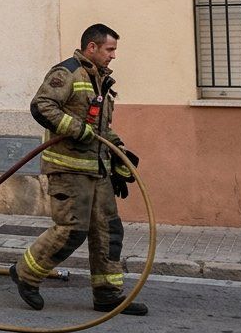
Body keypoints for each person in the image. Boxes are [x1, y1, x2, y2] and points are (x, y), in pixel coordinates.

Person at [10, 23, 147, 316]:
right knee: (73, 230)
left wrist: (119, 154)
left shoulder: (99, 80)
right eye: (110, 49)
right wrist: (76, 129)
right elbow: (42, 105)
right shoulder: (67, 72)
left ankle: (108, 294)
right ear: (92, 47)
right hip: (69, 169)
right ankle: (26, 273)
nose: (113, 56)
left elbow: (100, 129)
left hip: (97, 171)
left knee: (108, 231)